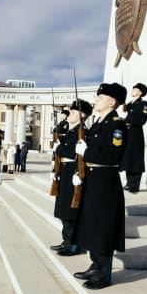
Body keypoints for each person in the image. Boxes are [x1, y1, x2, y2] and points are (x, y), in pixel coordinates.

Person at [72, 83, 127, 290]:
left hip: (105, 183)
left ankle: (104, 274)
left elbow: (113, 156)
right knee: (92, 225)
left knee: (103, 228)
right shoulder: (98, 124)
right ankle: (95, 265)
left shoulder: (116, 125)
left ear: (111, 102)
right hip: (93, 181)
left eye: (100, 97)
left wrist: (86, 153)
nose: (96, 100)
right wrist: (81, 171)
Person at [51, 99, 93, 257]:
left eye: (74, 112)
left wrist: (59, 148)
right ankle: (67, 240)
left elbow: (76, 154)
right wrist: (55, 169)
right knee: (63, 211)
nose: (70, 114)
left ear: (83, 115)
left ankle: (74, 244)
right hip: (64, 171)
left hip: (73, 173)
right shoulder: (71, 130)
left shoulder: (82, 131)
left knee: (70, 212)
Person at [120, 83, 147, 193]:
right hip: (128, 133)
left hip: (136, 133)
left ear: (140, 92)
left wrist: (125, 121)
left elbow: (142, 119)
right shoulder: (132, 103)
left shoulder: (143, 103)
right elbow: (124, 109)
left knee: (135, 159)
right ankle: (129, 183)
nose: (132, 90)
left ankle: (134, 185)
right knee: (128, 158)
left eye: (135, 89)